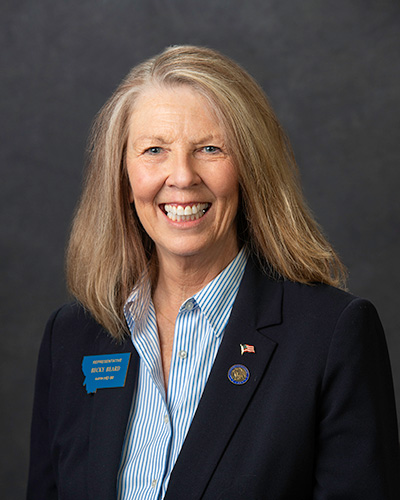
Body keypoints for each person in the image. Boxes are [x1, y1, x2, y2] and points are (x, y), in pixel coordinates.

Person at [27, 45, 400, 500]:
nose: (181, 176)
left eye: (209, 148)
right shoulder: (73, 336)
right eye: (154, 150)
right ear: (122, 178)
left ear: (249, 169)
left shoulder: (332, 336)